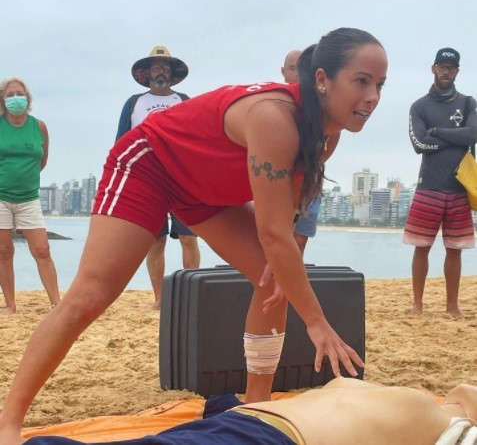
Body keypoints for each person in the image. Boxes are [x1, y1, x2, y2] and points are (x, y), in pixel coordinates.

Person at [0, 27, 387, 444]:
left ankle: (257, 405)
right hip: (150, 166)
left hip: (206, 192)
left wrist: (281, 268)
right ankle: (9, 421)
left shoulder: (326, 135)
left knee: (270, 278)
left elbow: (285, 220)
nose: (372, 97)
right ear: (323, 79)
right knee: (88, 298)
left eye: (380, 85)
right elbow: (273, 234)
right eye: (361, 81)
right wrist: (317, 324)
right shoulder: (274, 116)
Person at [23, 377, 477, 444]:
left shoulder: (436, 420)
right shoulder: (431, 418)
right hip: (258, 432)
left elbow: (224, 404)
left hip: (253, 427)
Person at [116, 46, 200, 310]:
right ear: (147, 73)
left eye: (165, 67)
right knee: (156, 239)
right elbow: (121, 141)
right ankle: (160, 298)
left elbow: (197, 137)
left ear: (172, 73)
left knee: (189, 237)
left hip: (181, 178)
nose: (160, 71)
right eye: (156, 67)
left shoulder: (184, 100)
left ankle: (190, 294)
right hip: (148, 178)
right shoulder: (134, 103)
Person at [403, 48, 477, 319]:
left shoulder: (469, 103)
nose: (446, 71)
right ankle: (418, 304)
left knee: (455, 250)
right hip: (428, 187)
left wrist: (437, 132)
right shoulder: (419, 106)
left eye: (451, 67)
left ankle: (452, 306)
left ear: (457, 71)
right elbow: (418, 143)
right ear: (433, 69)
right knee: (421, 247)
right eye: (442, 67)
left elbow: (474, 133)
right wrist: (457, 137)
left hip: (459, 187)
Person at [0, 77, 61, 316]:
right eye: (10, 94)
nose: (16, 98)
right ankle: (10, 305)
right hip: (1, 197)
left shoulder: (39, 127)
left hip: (29, 198)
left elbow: (42, 160)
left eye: (20, 93)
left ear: (28, 98)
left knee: (42, 250)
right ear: (3, 100)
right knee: (4, 252)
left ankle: (56, 302)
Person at [281, 50, 340, 255]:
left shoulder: (322, 104)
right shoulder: (278, 103)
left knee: (300, 239)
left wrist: (313, 163)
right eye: (292, 68)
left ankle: (290, 282)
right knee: (276, 235)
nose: (298, 73)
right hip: (279, 180)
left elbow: (334, 133)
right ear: (283, 72)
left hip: (309, 178)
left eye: (303, 69)